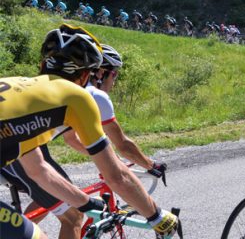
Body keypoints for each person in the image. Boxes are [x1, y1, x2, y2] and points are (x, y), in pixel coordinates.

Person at [0, 24, 178, 238]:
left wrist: (85, 202)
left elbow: (39, 170)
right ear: (85, 76)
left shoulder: (18, 90)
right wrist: (156, 216)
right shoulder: (77, 97)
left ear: (42, 65)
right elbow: (117, 177)